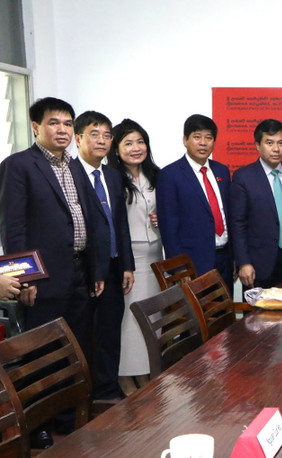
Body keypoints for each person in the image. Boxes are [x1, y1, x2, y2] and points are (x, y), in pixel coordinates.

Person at [0, 97, 105, 443]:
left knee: (73, 350)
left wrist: (96, 269)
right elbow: (12, 227)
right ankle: (37, 423)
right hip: (43, 278)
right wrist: (24, 278)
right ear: (35, 127)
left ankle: (65, 418)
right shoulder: (18, 165)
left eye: (67, 124)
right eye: (53, 123)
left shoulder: (73, 166)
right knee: (41, 353)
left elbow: (89, 217)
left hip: (78, 273)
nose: (62, 129)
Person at [73, 111, 135, 401]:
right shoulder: (70, 174)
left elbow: (120, 223)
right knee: (87, 333)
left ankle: (108, 390)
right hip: (85, 269)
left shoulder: (111, 174)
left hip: (113, 265)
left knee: (110, 330)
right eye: (94, 134)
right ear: (78, 139)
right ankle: (87, 394)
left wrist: (127, 265)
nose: (102, 140)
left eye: (107, 135)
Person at [106, 118, 162, 395]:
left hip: (155, 255)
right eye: (128, 143)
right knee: (130, 322)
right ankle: (125, 378)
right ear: (116, 149)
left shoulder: (156, 174)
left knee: (153, 319)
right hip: (131, 260)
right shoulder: (112, 178)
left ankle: (146, 373)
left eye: (140, 142)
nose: (136, 148)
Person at [157, 114, 232, 293]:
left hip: (224, 259)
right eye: (197, 137)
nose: (203, 143)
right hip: (193, 263)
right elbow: (169, 227)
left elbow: (227, 214)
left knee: (225, 316)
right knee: (199, 317)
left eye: (208, 137)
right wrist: (179, 268)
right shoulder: (170, 175)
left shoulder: (222, 170)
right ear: (185, 140)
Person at [229, 119, 282, 289]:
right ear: (257, 145)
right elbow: (238, 223)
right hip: (257, 264)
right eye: (269, 143)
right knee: (256, 315)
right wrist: (243, 262)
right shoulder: (244, 177)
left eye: (281, 143)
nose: (276, 149)